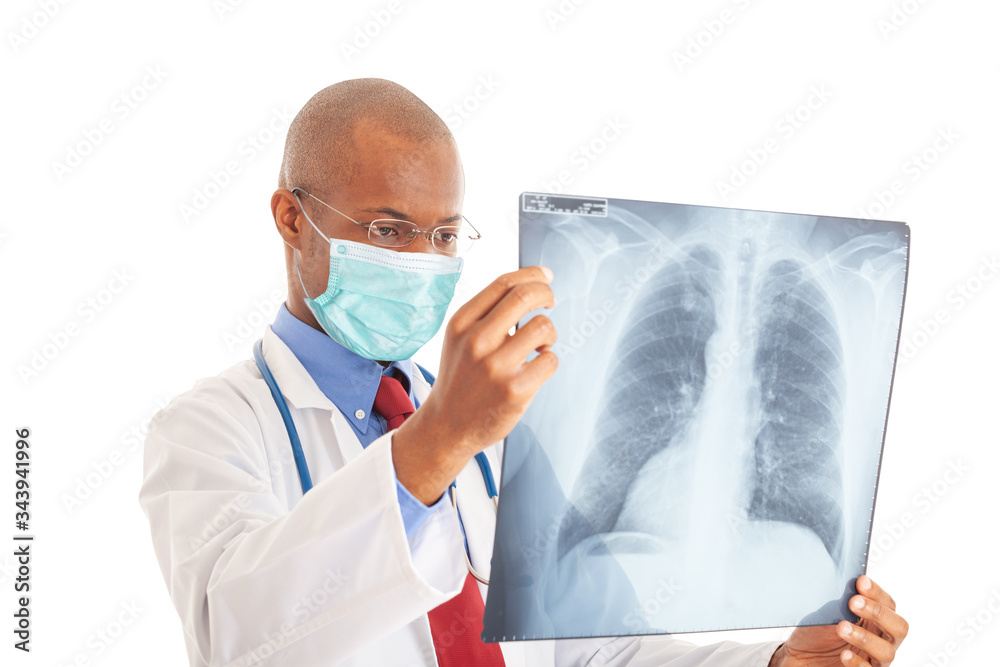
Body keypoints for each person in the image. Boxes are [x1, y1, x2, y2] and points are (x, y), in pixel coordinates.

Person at [138, 78, 908, 667]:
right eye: (387, 229)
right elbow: (235, 632)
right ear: (290, 217)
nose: (420, 260)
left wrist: (774, 666)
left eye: (443, 234)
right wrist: (435, 442)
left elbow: (601, 650)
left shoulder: (490, 432)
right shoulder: (209, 428)